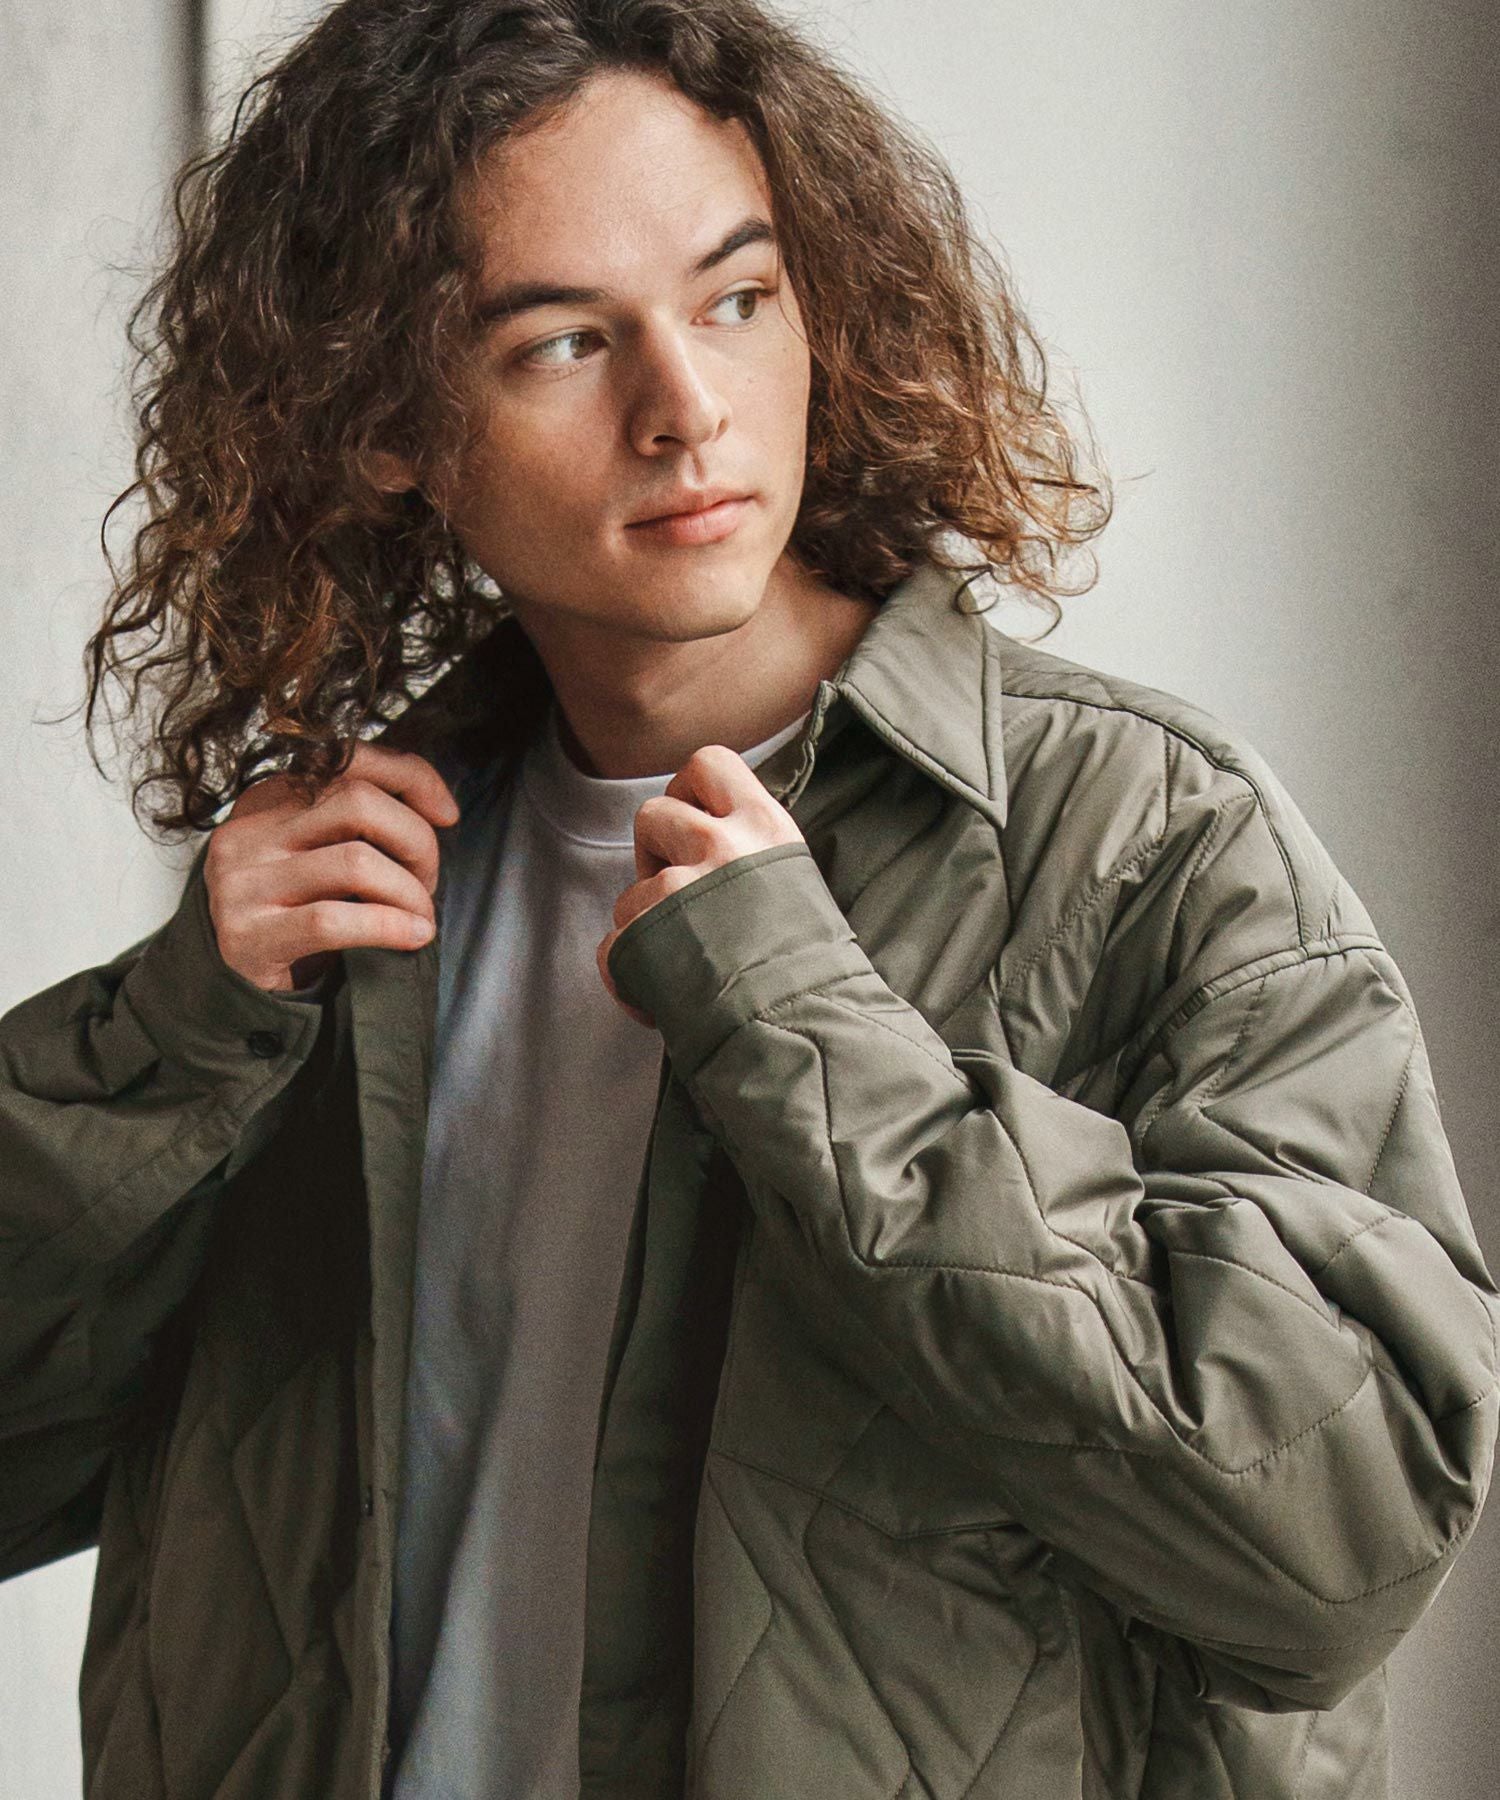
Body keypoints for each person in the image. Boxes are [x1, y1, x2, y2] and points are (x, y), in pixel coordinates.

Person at [1, 0, 1494, 1795]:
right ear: (387, 423)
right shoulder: (332, 920)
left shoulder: (1142, 837)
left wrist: (811, 1029)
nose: (687, 409)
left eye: (736, 299)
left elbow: (1342, 1542)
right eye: (565, 342)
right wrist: (161, 1047)